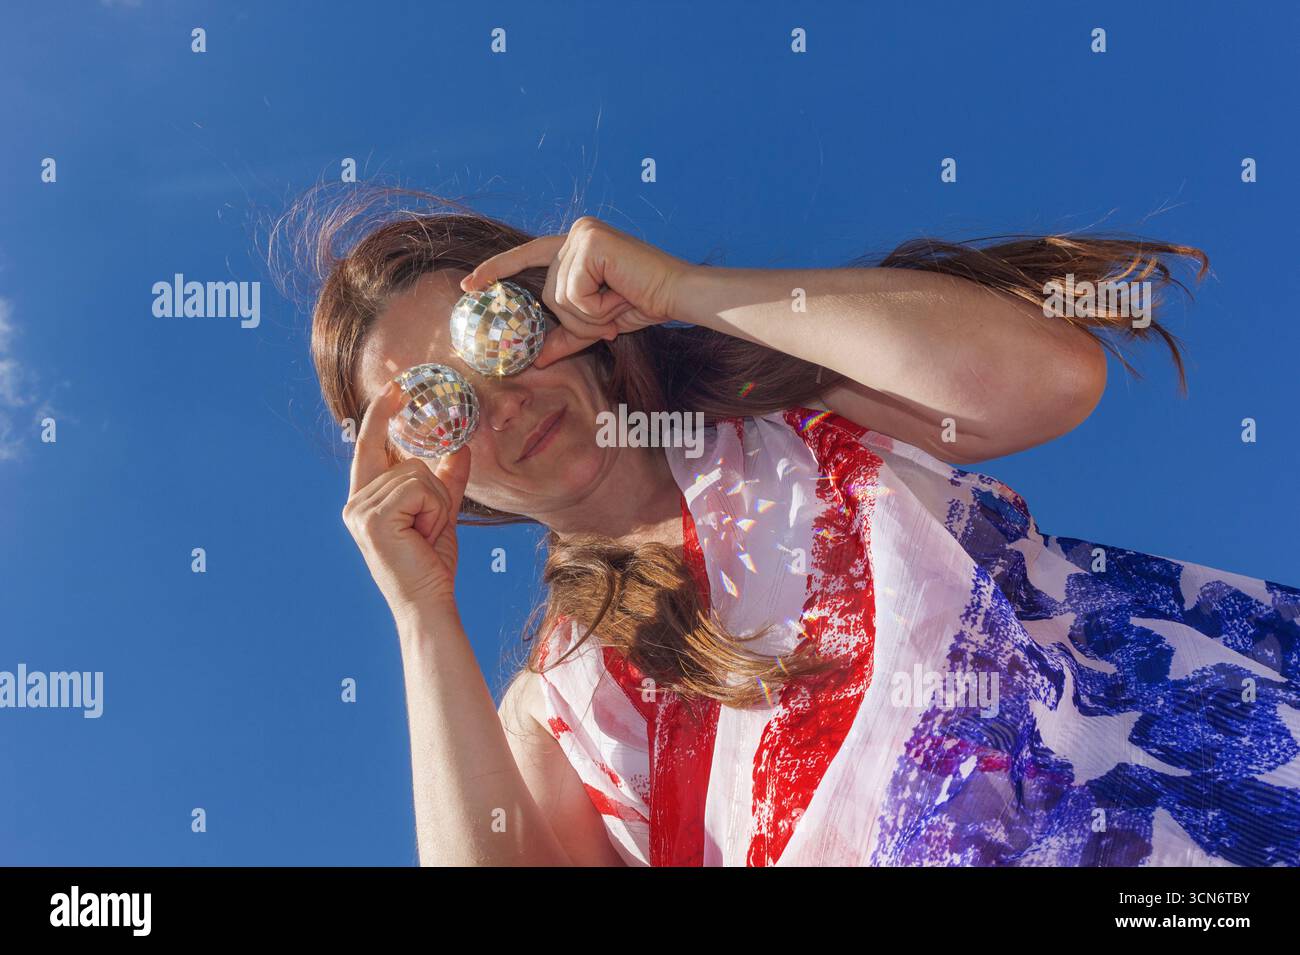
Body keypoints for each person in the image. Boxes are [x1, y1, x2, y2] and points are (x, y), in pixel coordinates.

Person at [288, 185, 1300, 866]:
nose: (500, 403)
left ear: (555, 315)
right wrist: (422, 612)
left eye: (498, 336)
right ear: (430, 470)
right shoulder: (563, 709)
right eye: (435, 405)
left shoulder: (793, 414)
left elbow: (1049, 377)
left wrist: (681, 292)